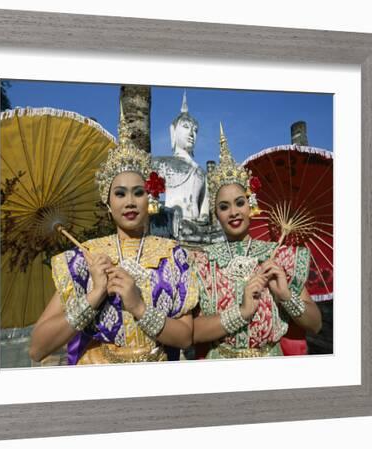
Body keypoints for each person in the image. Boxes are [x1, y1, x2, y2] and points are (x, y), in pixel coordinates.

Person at [29, 143, 198, 365]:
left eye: (138, 193)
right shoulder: (85, 257)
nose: (130, 202)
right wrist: (95, 295)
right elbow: (37, 348)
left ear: (150, 198)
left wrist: (139, 307)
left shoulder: (173, 255)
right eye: (120, 194)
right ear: (108, 203)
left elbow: (185, 338)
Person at [192, 127, 322, 359]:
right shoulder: (203, 262)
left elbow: (315, 324)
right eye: (224, 207)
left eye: (239, 203)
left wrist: (286, 297)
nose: (233, 212)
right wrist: (241, 313)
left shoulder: (279, 257)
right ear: (216, 213)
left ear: (250, 205)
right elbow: (192, 332)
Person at [153, 91, 209, 222]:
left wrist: (205, 217)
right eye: (185, 127)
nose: (191, 133)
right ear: (173, 131)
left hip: (197, 228)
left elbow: (205, 207)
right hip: (170, 223)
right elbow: (152, 199)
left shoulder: (201, 172)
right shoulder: (161, 163)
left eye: (195, 130)